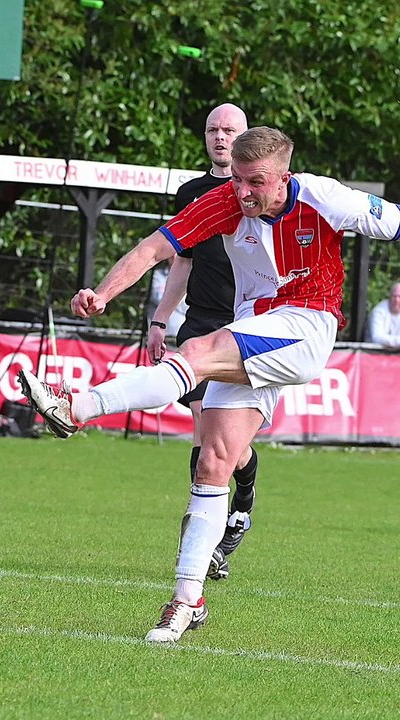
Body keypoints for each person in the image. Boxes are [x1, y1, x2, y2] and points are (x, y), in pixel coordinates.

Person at [18, 126, 400, 643]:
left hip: (308, 325)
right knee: (215, 459)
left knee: (196, 352)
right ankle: (187, 601)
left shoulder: (326, 198)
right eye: (236, 179)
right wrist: (103, 293)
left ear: (284, 177)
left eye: (255, 181)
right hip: (254, 330)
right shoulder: (223, 203)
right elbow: (154, 248)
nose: (242, 191)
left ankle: (77, 407)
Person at [146, 103, 256, 583]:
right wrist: (160, 320)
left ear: (245, 137)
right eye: (213, 129)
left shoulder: (264, 191)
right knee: (203, 425)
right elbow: (182, 261)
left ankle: (243, 502)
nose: (220, 137)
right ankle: (205, 540)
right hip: (201, 322)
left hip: (248, 323)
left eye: (230, 130)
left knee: (230, 442)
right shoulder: (191, 193)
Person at [366, 283, 400, 350]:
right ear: (389, 297)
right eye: (394, 296)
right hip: (373, 352)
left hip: (399, 353)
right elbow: (376, 338)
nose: (396, 300)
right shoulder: (379, 312)